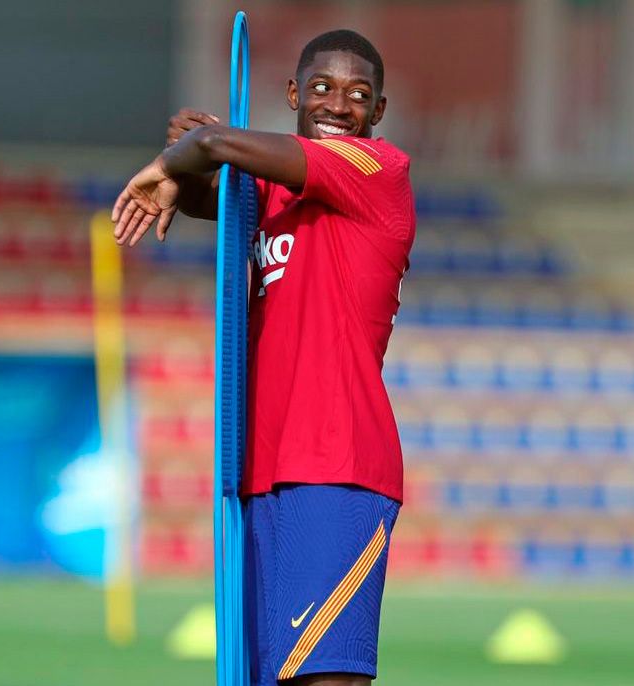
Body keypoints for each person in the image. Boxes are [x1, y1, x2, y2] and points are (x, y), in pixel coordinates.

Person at [111, 29, 414, 686]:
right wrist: (186, 161)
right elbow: (212, 190)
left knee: (323, 680)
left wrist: (184, 155)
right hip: (261, 474)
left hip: (335, 469)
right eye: (322, 89)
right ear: (292, 94)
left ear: (378, 112)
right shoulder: (274, 200)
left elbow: (216, 149)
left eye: (358, 95)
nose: (339, 106)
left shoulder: (377, 169)